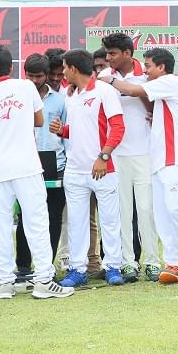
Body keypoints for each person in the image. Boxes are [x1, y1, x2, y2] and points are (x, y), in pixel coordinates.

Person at [102, 48, 178, 285]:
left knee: (176, 209)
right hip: (160, 160)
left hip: (177, 159)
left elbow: (131, 89)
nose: (145, 70)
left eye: (149, 66)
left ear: (162, 68)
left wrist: (109, 78)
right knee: (162, 215)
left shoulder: (170, 81)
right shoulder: (165, 89)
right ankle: (173, 264)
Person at [0, 45, 73, 299]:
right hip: (26, 165)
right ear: (13, 68)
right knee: (36, 222)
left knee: (2, 225)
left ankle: (5, 284)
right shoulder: (26, 87)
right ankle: (43, 281)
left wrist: (1, 125)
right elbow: (39, 121)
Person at [51, 49, 126, 288]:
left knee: (110, 220)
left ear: (73, 68)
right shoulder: (70, 94)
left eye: (64, 67)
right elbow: (81, 130)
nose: (62, 72)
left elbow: (117, 127)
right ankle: (77, 269)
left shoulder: (105, 91)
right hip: (75, 170)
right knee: (77, 222)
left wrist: (103, 156)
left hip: (103, 168)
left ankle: (113, 266)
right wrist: (62, 131)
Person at [100, 32, 160, 283]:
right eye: (107, 54)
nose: (109, 58)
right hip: (117, 154)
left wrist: (140, 92)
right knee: (123, 211)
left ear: (127, 53)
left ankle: (153, 262)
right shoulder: (104, 79)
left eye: (113, 53)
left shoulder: (146, 75)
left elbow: (155, 108)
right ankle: (128, 263)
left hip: (144, 152)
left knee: (146, 209)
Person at [15, 53, 68, 276]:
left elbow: (67, 133)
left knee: (53, 218)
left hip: (55, 164)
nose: (35, 80)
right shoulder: (16, 99)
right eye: (30, 75)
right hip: (25, 163)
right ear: (24, 74)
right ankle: (24, 265)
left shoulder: (60, 100)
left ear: (47, 75)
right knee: (26, 216)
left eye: (39, 76)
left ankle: (47, 267)